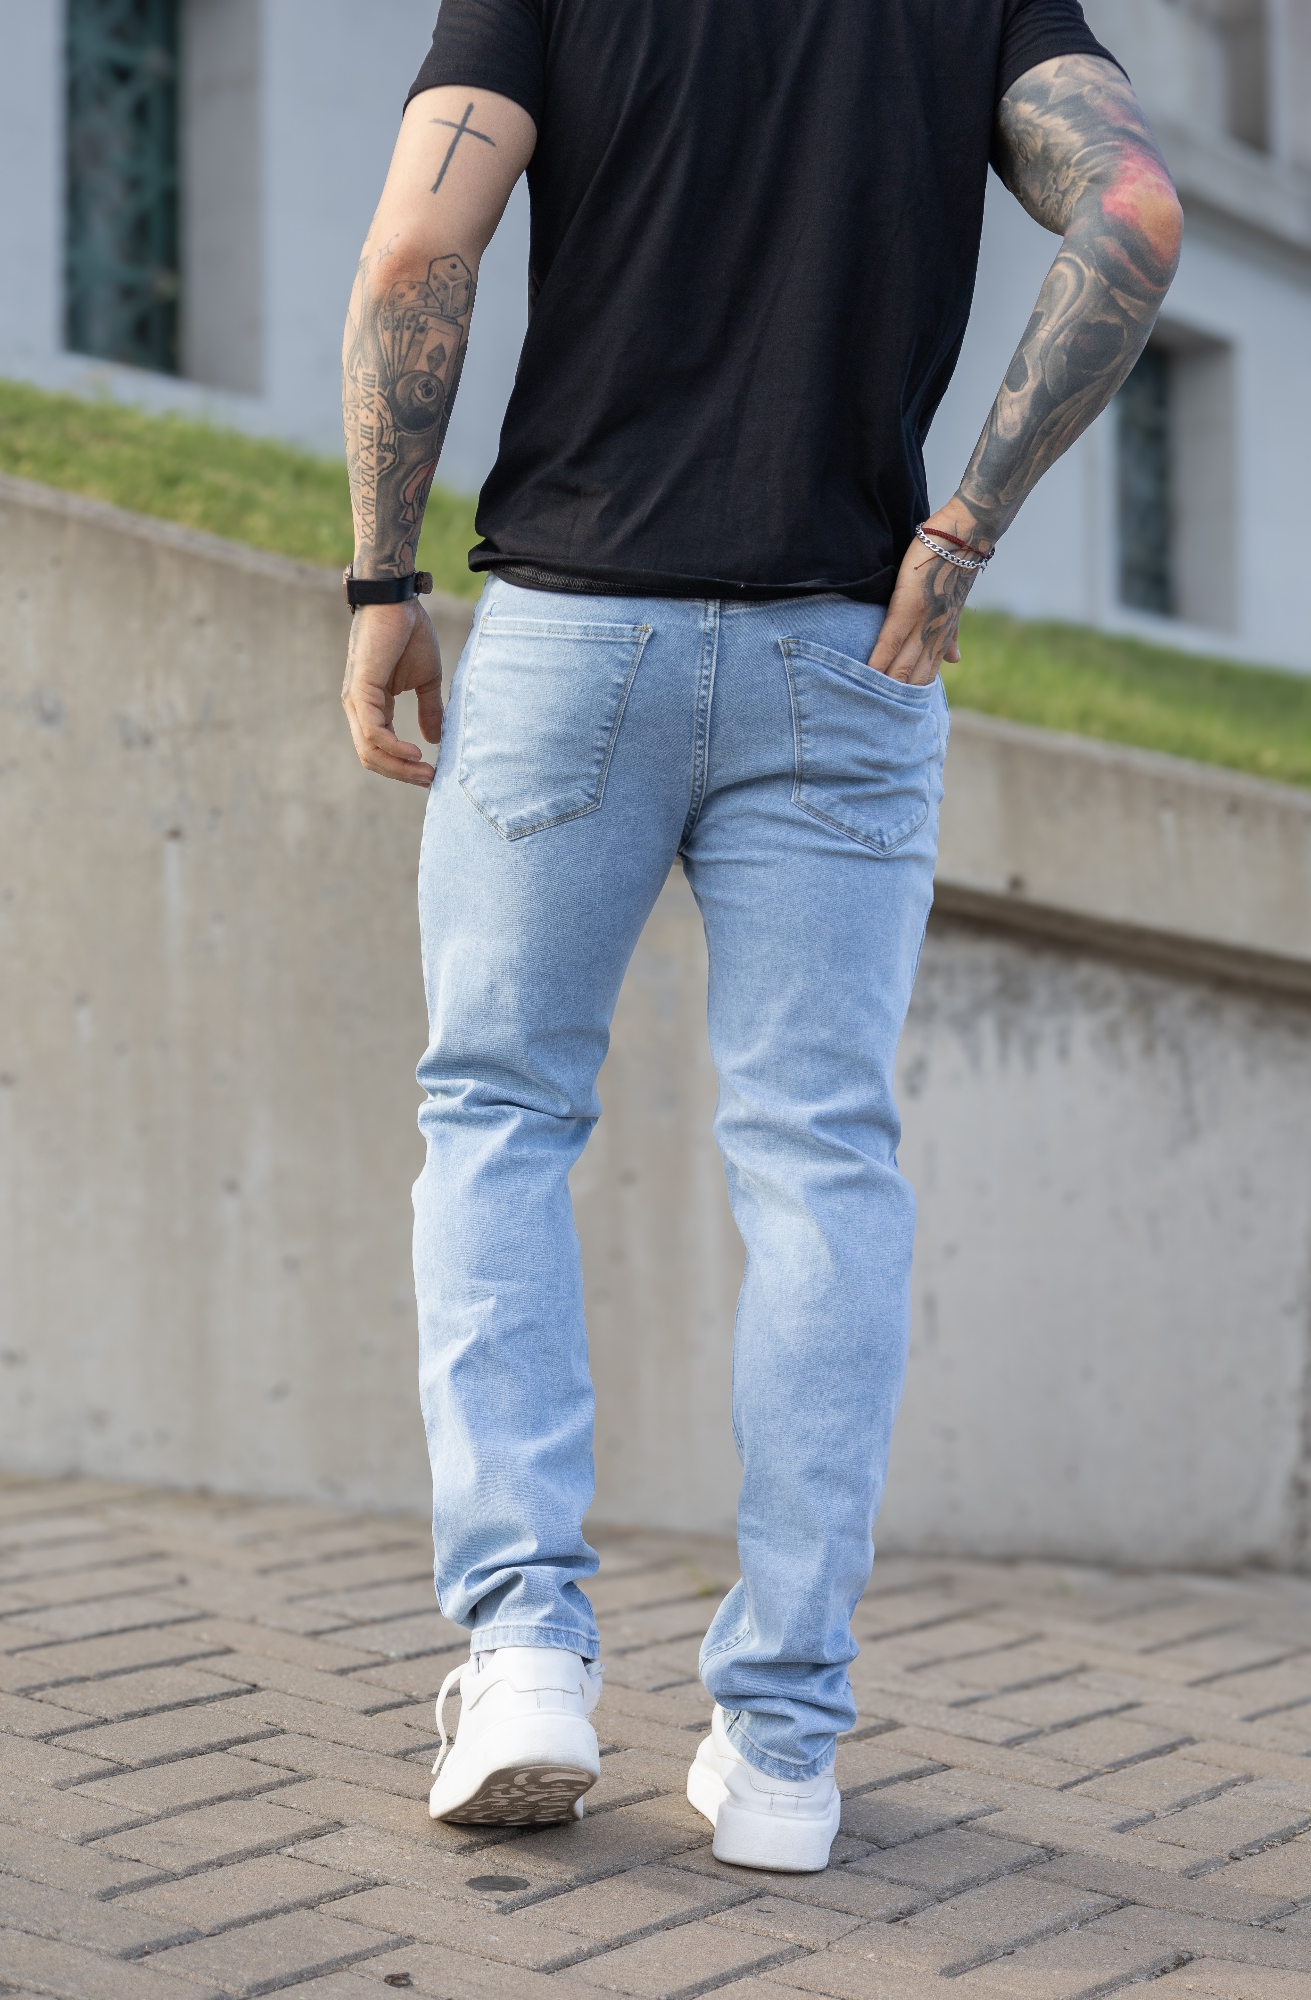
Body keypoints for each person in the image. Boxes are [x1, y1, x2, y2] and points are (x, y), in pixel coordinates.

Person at [340, 0, 1181, 1872]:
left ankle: (525, 1656)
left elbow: (413, 252)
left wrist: (381, 576)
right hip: (850, 647)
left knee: (497, 1115)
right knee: (818, 1156)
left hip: (574, 631)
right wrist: (962, 529)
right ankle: (785, 1746)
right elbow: (1131, 215)